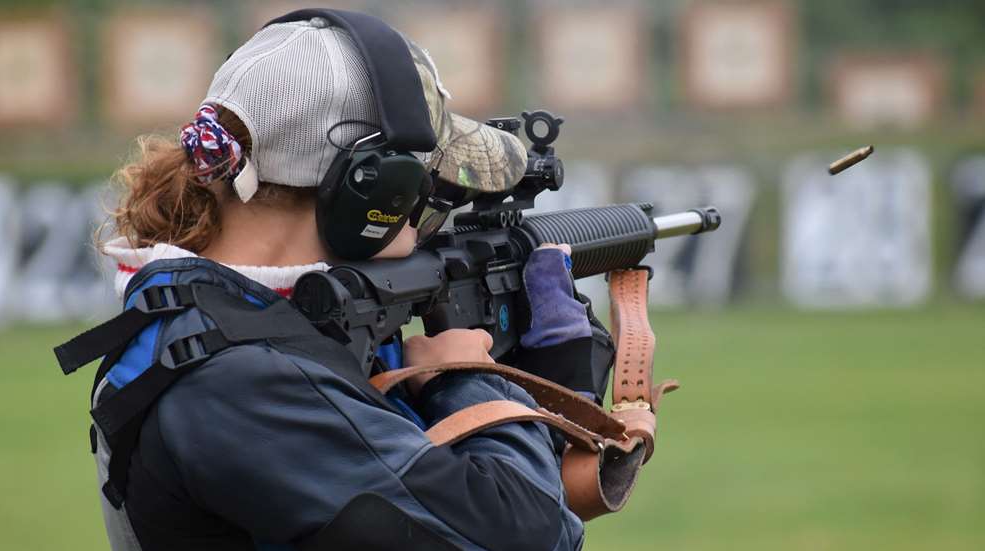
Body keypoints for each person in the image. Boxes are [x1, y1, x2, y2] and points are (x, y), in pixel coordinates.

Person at [62, 9, 615, 551]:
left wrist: (543, 401)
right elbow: (530, 536)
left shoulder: (227, 323)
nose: (432, 214)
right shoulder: (240, 383)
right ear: (373, 191)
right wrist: (475, 384)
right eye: (427, 188)